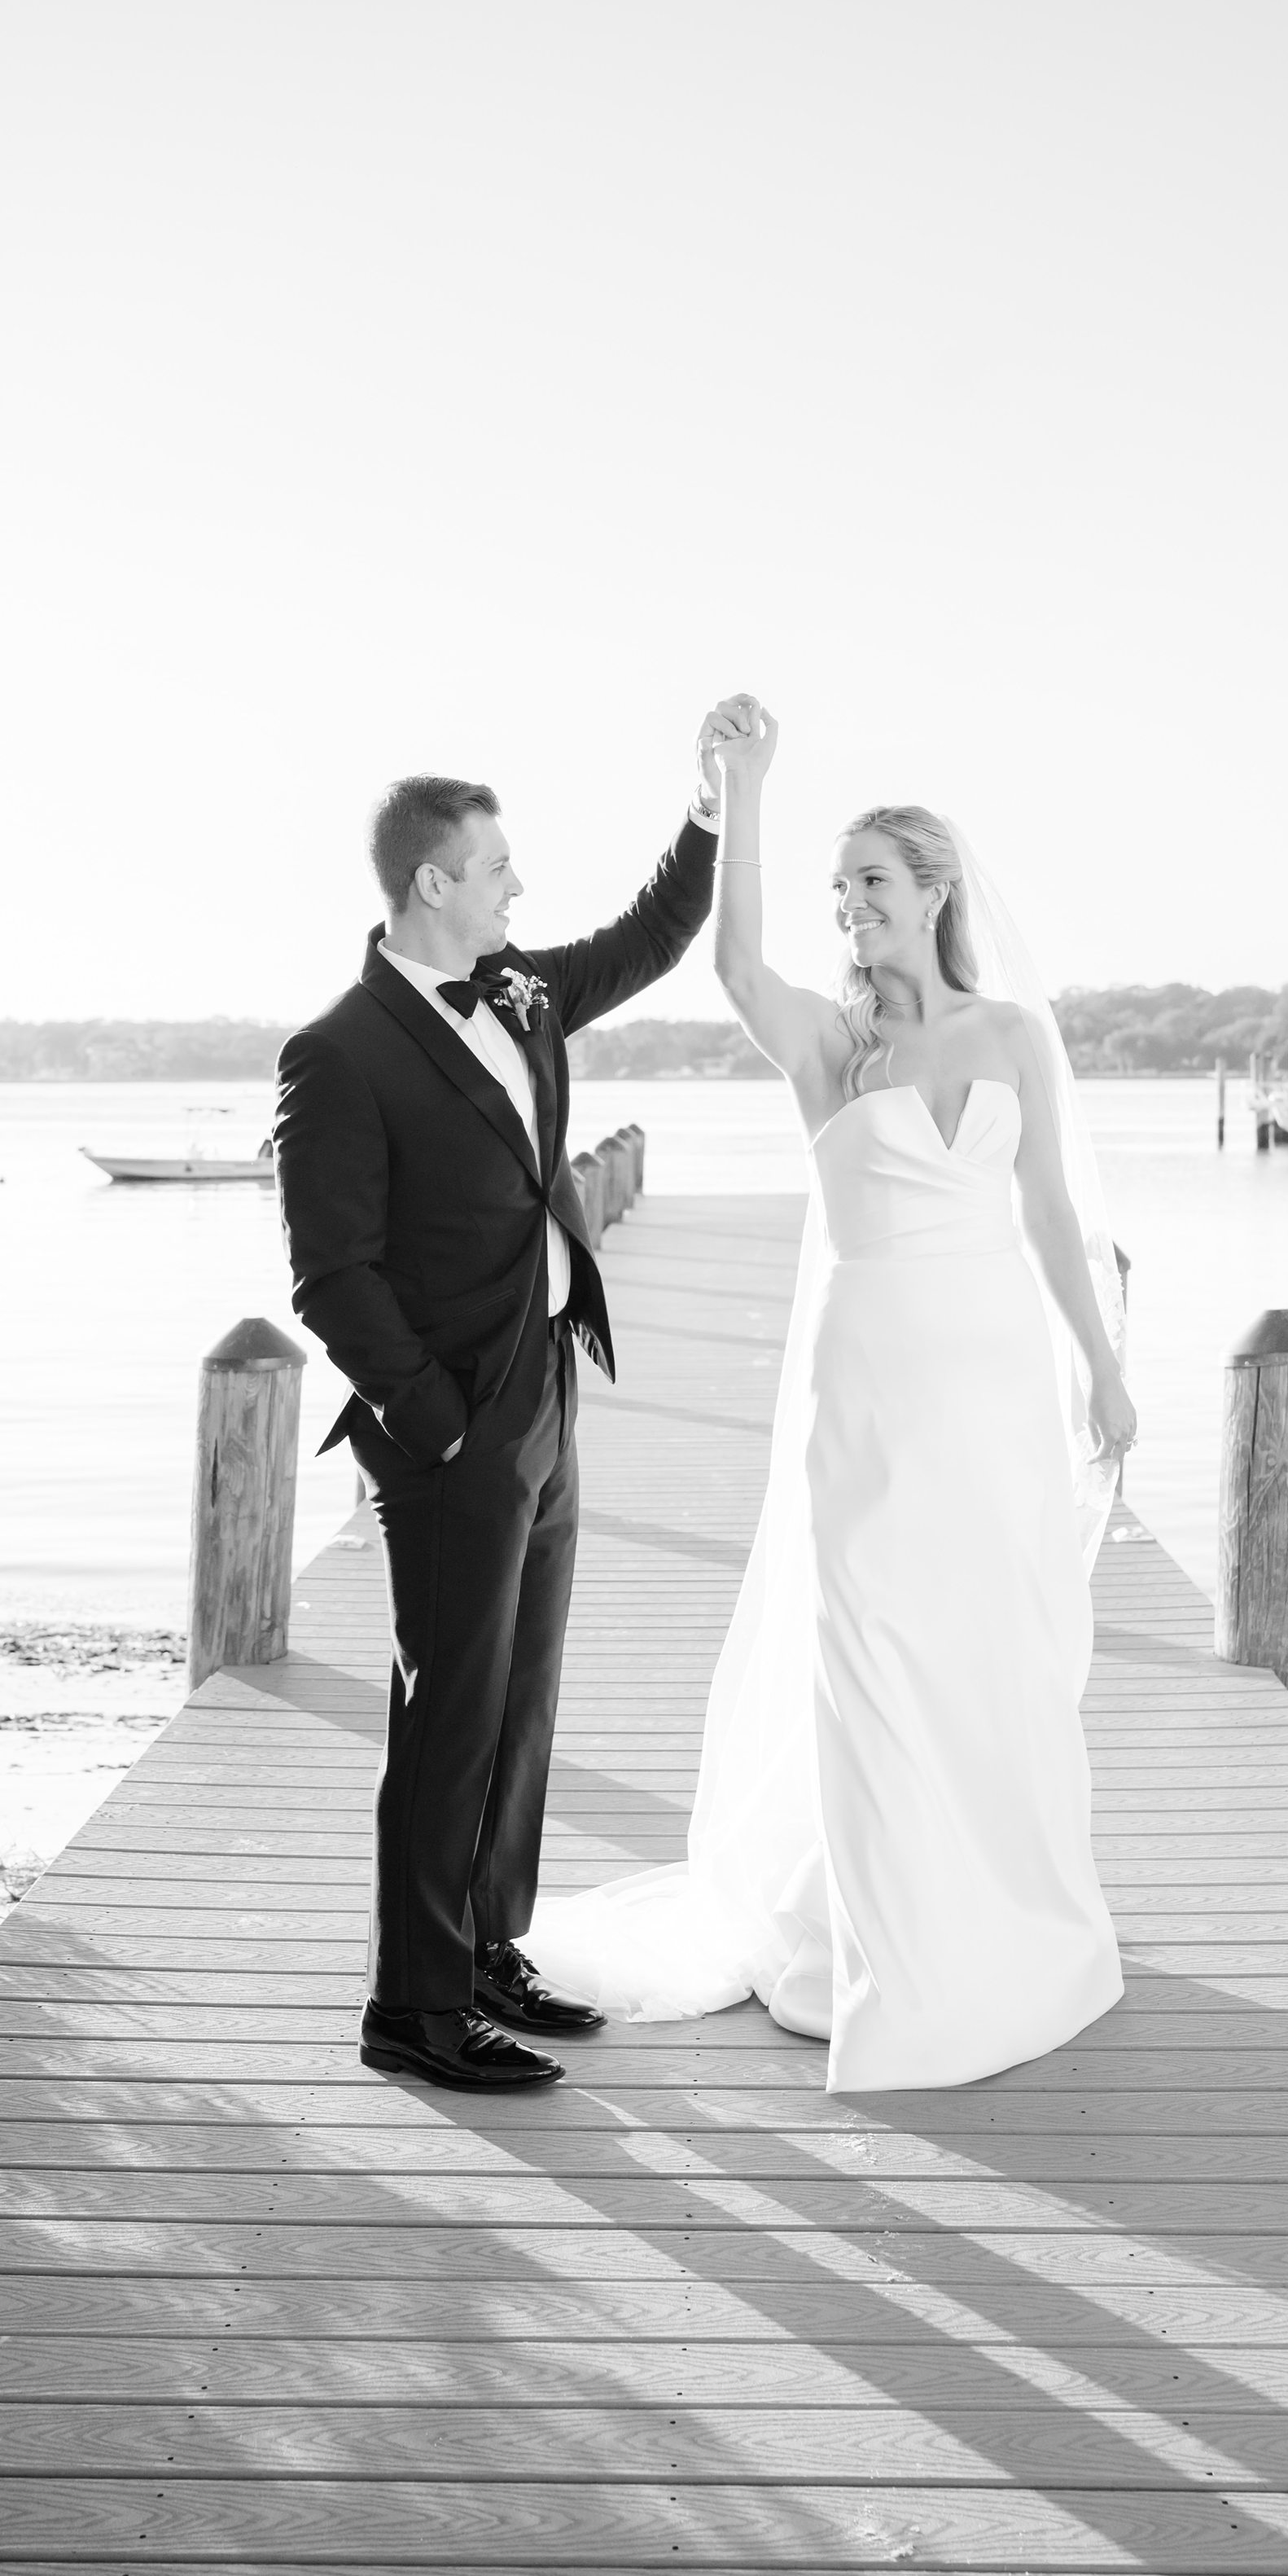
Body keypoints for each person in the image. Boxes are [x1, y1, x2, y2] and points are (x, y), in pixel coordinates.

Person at [524, 698, 1133, 2091]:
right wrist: (741, 787)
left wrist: (1096, 1365)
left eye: (873, 881)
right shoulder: (827, 1048)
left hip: (992, 1387)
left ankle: (992, 1926)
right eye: (838, 886)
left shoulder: (1010, 1038)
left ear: (936, 895)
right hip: (867, 1385)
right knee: (868, 1648)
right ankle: (881, 1950)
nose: (851, 904)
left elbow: (1048, 1215)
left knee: (987, 1650)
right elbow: (734, 957)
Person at [273, 710, 744, 2093]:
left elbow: (650, 937)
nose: (515, 890)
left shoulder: (524, 990)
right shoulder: (340, 1052)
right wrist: (436, 1418)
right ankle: (412, 2014)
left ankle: (485, 1950)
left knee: (523, 1696)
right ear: (433, 883)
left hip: (547, 1386)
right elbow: (331, 1277)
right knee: (449, 1710)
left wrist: (710, 812)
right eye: (495, 869)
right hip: (455, 1426)